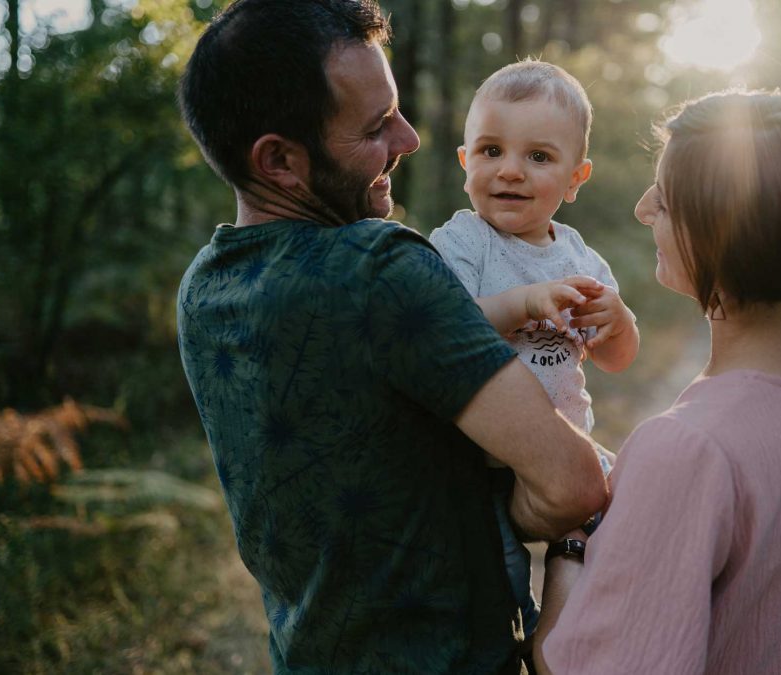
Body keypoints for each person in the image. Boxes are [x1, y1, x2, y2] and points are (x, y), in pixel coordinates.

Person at [174, 2, 607, 674]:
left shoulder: (203, 287)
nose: (408, 138)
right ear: (280, 160)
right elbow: (572, 485)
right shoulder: (379, 268)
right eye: (376, 127)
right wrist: (571, 549)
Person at [534, 90, 781, 674]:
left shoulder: (688, 450)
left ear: (718, 236)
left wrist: (573, 538)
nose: (642, 209)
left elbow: (566, 666)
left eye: (667, 203)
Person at [428, 60, 639, 640]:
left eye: (539, 157)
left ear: (576, 178)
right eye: (491, 151)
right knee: (496, 586)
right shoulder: (462, 242)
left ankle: (574, 640)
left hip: (561, 445)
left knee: (633, 514)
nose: (511, 172)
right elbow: (445, 330)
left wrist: (619, 322)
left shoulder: (581, 259)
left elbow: (615, 359)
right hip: (476, 461)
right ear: (465, 161)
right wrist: (522, 302)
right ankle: (519, 639)